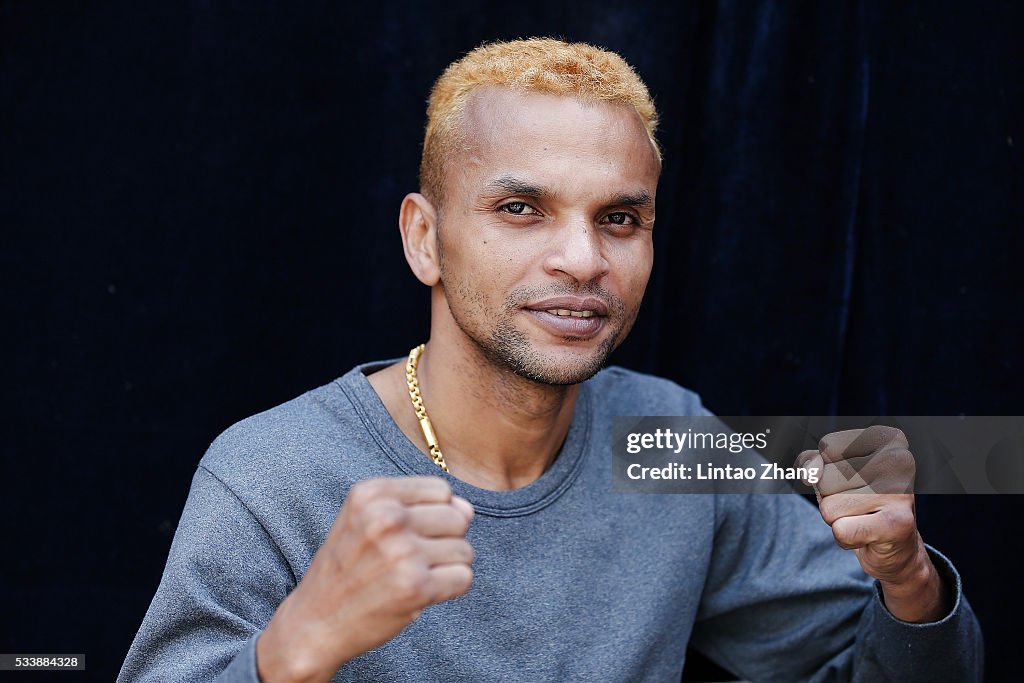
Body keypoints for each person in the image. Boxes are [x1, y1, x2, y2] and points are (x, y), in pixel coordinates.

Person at [119, 38, 983, 682]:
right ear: (426, 238)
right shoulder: (272, 472)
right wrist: (292, 648)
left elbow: (871, 664)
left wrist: (908, 583)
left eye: (619, 218)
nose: (583, 259)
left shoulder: (670, 440)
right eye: (523, 207)